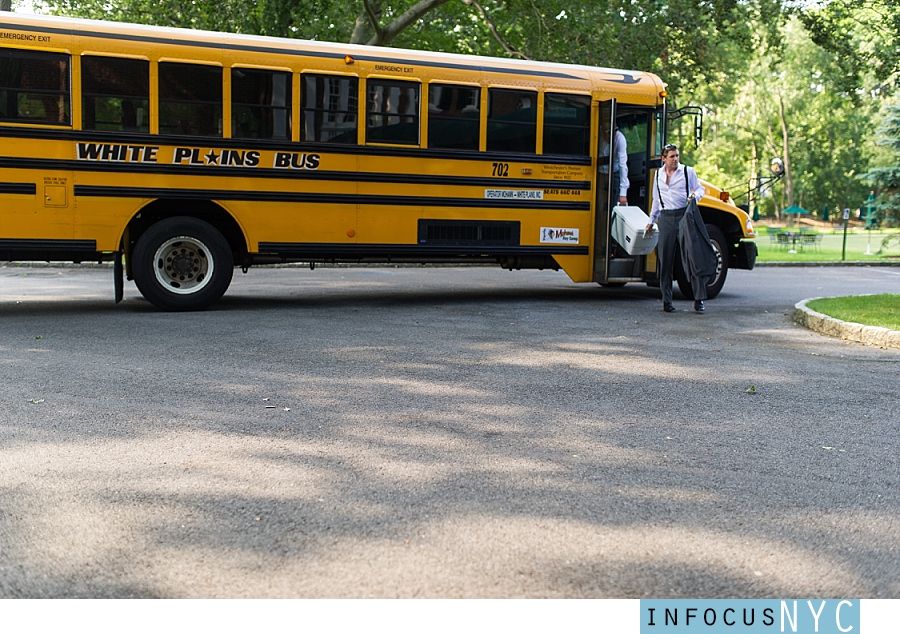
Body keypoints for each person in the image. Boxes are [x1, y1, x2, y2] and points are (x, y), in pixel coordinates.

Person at [645, 143, 715, 313]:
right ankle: (666, 301)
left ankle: (699, 300)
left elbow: (700, 189)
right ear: (664, 159)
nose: (675, 159)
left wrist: (694, 196)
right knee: (665, 260)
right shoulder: (657, 176)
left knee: (693, 257)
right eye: (672, 156)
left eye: (677, 156)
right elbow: (656, 200)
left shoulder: (687, 171)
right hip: (666, 218)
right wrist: (651, 221)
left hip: (684, 216)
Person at [600, 126, 629, 206]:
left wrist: (623, 193)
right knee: (599, 202)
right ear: (602, 133)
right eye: (609, 134)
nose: (613, 137)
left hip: (614, 172)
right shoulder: (596, 135)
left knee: (614, 202)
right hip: (598, 172)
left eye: (615, 132)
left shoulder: (620, 139)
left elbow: (622, 165)